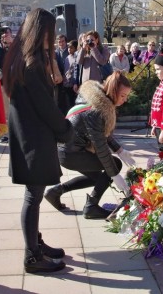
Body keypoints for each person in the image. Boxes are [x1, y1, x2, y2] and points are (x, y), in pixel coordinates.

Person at [2, 8, 73, 274]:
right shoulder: (31, 63)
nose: (53, 36)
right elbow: (45, 106)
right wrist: (65, 129)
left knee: (34, 195)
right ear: (40, 31)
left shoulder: (26, 58)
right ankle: (32, 256)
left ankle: (36, 243)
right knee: (33, 196)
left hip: (30, 135)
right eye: (50, 31)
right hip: (34, 138)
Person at [45, 72, 134, 219]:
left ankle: (56, 192)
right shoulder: (96, 111)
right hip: (71, 153)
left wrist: (120, 149)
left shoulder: (97, 101)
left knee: (98, 178)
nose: (125, 100)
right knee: (114, 164)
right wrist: (115, 175)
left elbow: (101, 133)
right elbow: (101, 147)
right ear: (113, 91)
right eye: (123, 95)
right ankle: (91, 206)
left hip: (67, 150)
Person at [0, 25, 13, 143]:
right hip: (3, 84)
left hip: (15, 83)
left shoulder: (15, 48)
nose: (5, 36)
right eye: (3, 34)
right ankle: (6, 134)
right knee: (5, 110)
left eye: (7, 34)